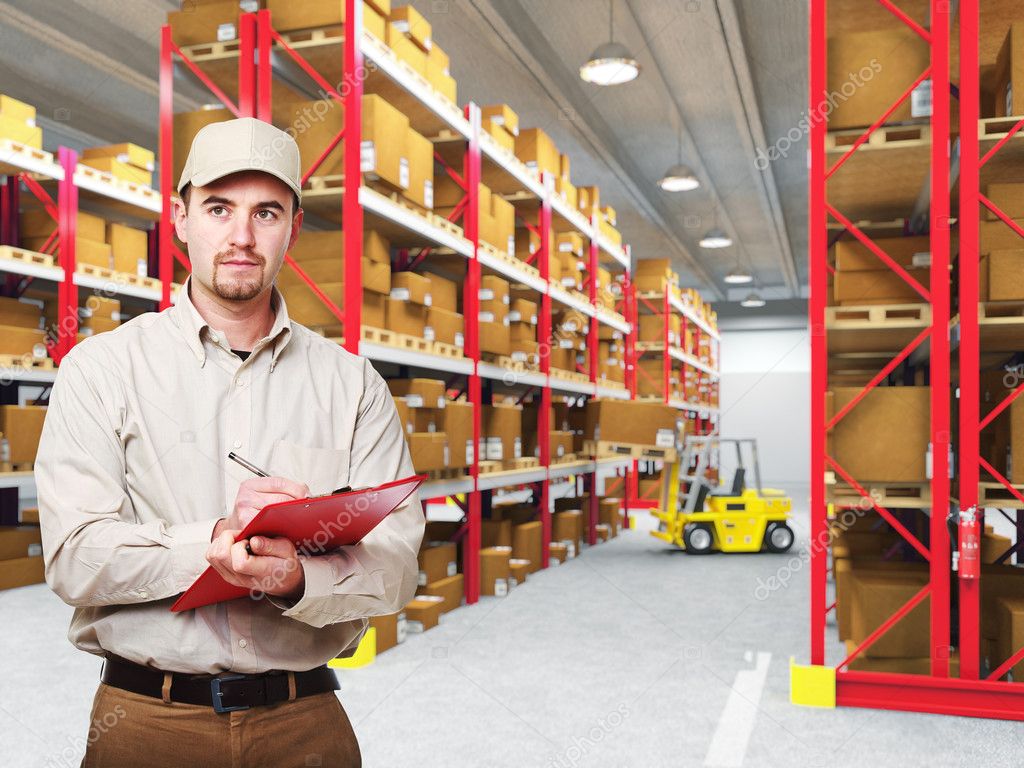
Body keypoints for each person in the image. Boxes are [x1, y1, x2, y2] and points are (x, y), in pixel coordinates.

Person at [35, 117, 424, 768]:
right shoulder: (101, 369)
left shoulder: (352, 385)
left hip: (307, 723)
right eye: (219, 208)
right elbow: (73, 557)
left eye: (266, 212)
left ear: (293, 228)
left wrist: (301, 576)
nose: (242, 236)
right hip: (147, 726)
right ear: (181, 217)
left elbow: (398, 564)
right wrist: (212, 543)